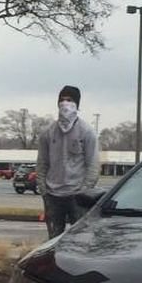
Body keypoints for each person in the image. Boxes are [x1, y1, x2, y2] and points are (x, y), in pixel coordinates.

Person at [36, 85, 100, 238]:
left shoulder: (87, 132)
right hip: (52, 196)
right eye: (62, 100)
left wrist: (84, 192)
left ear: (77, 104)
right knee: (53, 239)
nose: (65, 104)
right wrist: (44, 192)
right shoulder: (47, 133)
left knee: (79, 240)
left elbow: (93, 165)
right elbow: (42, 164)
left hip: (77, 196)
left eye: (70, 100)